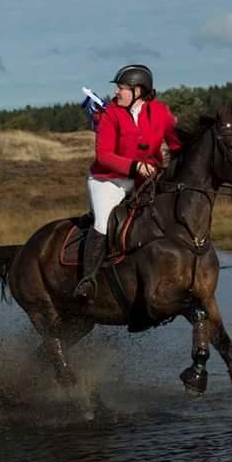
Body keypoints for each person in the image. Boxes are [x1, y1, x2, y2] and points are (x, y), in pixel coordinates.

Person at [74, 64, 183, 301]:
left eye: (121, 88)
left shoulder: (161, 113)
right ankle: (88, 280)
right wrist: (135, 166)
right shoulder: (110, 114)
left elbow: (177, 145)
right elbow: (103, 155)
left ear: (138, 91)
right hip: (108, 180)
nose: (116, 93)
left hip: (144, 180)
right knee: (103, 224)